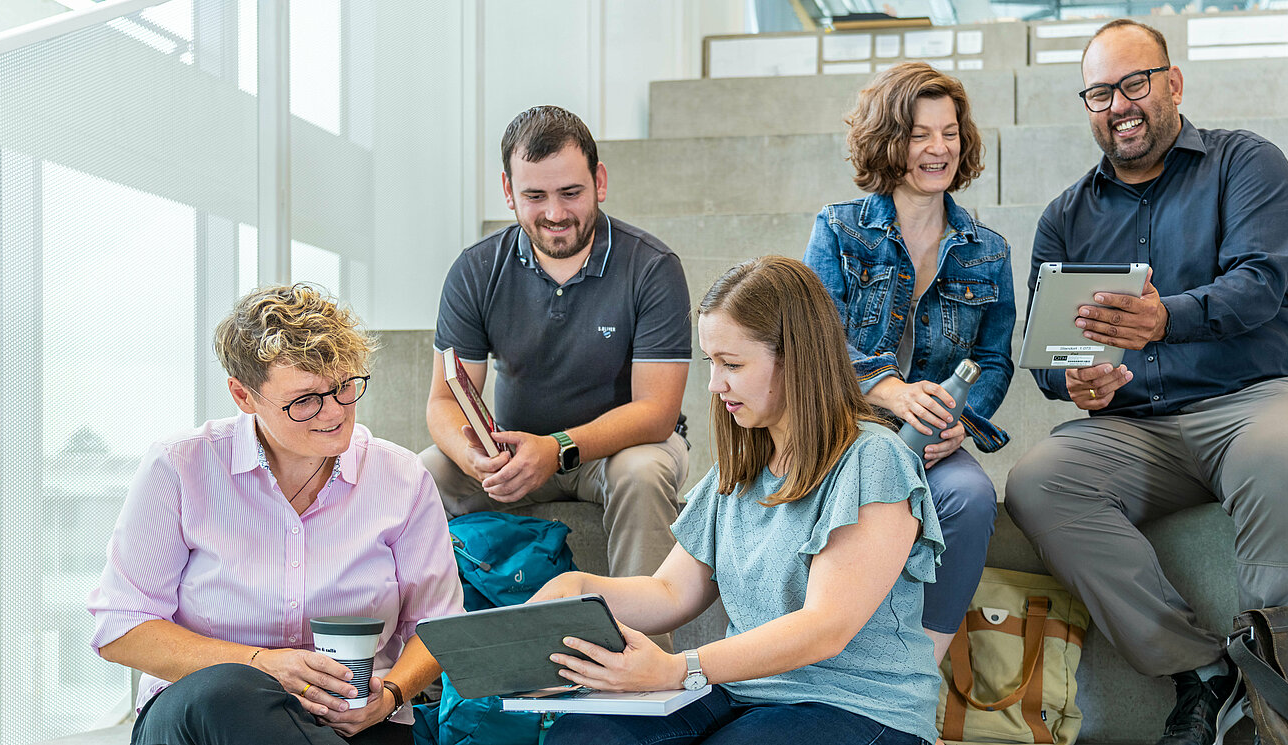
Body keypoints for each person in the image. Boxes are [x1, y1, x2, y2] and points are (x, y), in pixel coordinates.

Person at [1003, 20, 1288, 745]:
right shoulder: (1064, 218)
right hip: (1135, 429)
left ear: (1173, 83)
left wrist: (1167, 320)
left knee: (1285, 456)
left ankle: (1274, 691)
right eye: (1100, 92)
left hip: (1260, 399)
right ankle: (1197, 670)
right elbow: (1043, 355)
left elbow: (1260, 284)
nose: (1119, 104)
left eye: (1134, 83)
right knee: (1039, 479)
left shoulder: (1246, 163)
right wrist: (1076, 382)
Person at [532, 256, 945, 745]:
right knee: (585, 734)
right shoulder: (742, 465)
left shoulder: (874, 459)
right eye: (711, 362)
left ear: (797, 358)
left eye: (732, 364)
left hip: (860, 705)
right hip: (742, 693)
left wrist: (676, 667)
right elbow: (672, 593)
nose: (714, 384)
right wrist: (578, 588)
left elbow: (824, 628)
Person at [87, 284, 464, 745]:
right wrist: (260, 664)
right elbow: (120, 627)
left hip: (352, 719)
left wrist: (389, 695)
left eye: (345, 386)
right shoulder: (180, 467)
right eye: (305, 399)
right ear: (244, 396)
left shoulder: (402, 477)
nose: (335, 412)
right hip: (203, 720)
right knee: (227, 691)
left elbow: (438, 625)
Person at [421, 105, 691, 583]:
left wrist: (557, 448)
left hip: (621, 450)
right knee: (425, 474)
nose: (555, 213)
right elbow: (445, 399)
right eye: (534, 195)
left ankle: (645, 647)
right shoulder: (476, 270)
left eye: (571, 193)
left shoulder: (652, 267)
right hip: (516, 454)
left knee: (643, 472)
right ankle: (433, 642)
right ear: (508, 191)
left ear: (599, 181)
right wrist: (475, 458)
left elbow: (658, 410)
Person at [803, 61, 1014, 661]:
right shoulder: (839, 230)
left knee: (971, 498)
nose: (938, 148)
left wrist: (959, 422)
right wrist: (889, 390)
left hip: (932, 438)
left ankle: (921, 668)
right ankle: (829, 658)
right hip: (846, 430)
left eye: (949, 132)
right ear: (889, 142)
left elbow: (994, 361)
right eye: (920, 134)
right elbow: (816, 344)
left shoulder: (988, 250)